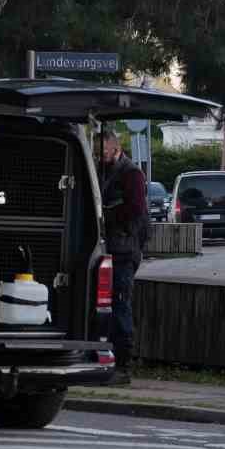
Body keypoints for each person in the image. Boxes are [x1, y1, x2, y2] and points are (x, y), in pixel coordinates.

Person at [98, 129, 147, 385]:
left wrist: (108, 215)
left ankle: (123, 365)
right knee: (111, 305)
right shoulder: (106, 170)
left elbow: (136, 210)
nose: (100, 156)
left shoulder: (131, 174)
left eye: (104, 151)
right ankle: (108, 360)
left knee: (120, 304)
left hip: (123, 249)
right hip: (112, 246)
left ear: (115, 148)